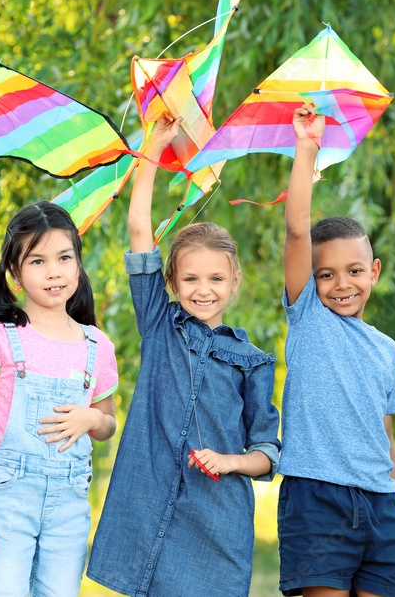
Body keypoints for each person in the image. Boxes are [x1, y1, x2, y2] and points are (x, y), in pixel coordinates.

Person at [86, 113, 281, 597]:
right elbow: (138, 231)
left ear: (235, 282)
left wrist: (232, 462)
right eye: (191, 279)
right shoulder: (159, 327)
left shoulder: (252, 361)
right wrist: (154, 147)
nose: (203, 290)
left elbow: (268, 452)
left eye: (216, 279)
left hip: (217, 519)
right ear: (172, 283)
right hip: (150, 501)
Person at [278, 107, 395, 597]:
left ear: (375, 271)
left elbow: (387, 441)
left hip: (381, 508)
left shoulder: (386, 350)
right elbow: (298, 231)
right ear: (311, 280)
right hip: (317, 500)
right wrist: (307, 148)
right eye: (326, 274)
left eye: (355, 271)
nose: (342, 284)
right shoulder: (308, 318)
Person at [0, 200, 118, 596]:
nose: (53, 272)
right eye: (37, 261)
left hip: (68, 506)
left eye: (64, 257)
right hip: (4, 501)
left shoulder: (97, 345)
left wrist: (91, 420)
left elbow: (108, 424)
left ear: (78, 265)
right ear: (14, 272)